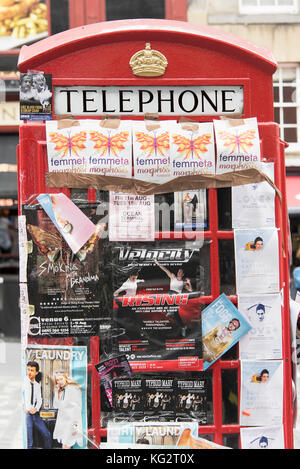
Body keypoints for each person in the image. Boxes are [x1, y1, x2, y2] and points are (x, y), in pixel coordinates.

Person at [23, 361, 52, 449]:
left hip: (35, 414)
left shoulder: (37, 385)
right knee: (29, 441)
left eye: (32, 370)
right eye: (28, 370)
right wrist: (24, 405)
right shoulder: (23, 382)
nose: (29, 372)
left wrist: (36, 408)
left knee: (47, 435)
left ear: (36, 372)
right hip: (27, 414)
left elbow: (39, 400)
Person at [53, 370, 83, 449]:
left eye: (61, 379)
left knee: (66, 445)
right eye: (57, 380)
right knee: (65, 445)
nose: (59, 382)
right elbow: (56, 405)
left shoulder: (73, 389)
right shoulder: (61, 390)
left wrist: (75, 426)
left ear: (66, 378)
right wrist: (56, 392)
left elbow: (77, 408)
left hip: (71, 422)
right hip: (62, 422)